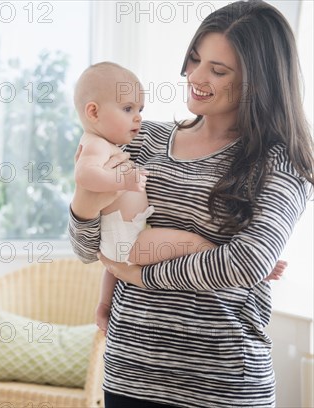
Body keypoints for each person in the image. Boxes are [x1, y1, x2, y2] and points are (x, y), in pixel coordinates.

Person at [68, 1, 313, 407]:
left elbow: (245, 263)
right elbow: (86, 249)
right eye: (195, 60)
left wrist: (140, 276)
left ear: (259, 81)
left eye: (218, 70)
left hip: (222, 387)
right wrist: (83, 198)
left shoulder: (280, 161)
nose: (195, 77)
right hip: (131, 377)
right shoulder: (141, 138)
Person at [73, 61, 286, 334]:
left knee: (117, 267)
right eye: (128, 109)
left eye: (139, 110)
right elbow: (84, 180)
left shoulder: (278, 158)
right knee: (190, 243)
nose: (137, 117)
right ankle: (259, 273)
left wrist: (137, 277)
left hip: (124, 238)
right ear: (93, 112)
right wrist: (105, 192)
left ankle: (104, 305)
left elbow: (111, 260)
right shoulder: (99, 144)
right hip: (128, 239)